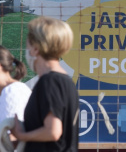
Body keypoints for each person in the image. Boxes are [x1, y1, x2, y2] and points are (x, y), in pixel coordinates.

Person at [11, 16, 79, 152]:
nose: (27, 50)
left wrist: (22, 136)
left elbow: (53, 131)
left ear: (36, 48)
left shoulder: (50, 81)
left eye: (28, 45)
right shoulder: (66, 81)